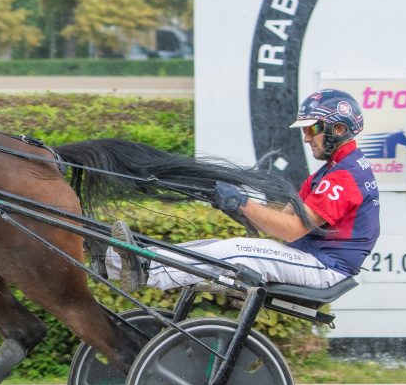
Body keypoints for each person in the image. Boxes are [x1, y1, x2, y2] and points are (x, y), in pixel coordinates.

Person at [107, 88, 381, 292]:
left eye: (312, 129)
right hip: (312, 258)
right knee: (211, 248)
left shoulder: (345, 175)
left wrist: (244, 202)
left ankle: (146, 271)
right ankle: (116, 260)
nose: (306, 137)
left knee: (237, 250)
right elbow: (281, 219)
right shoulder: (330, 170)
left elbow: (292, 229)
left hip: (325, 268)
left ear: (339, 128)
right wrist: (235, 205)